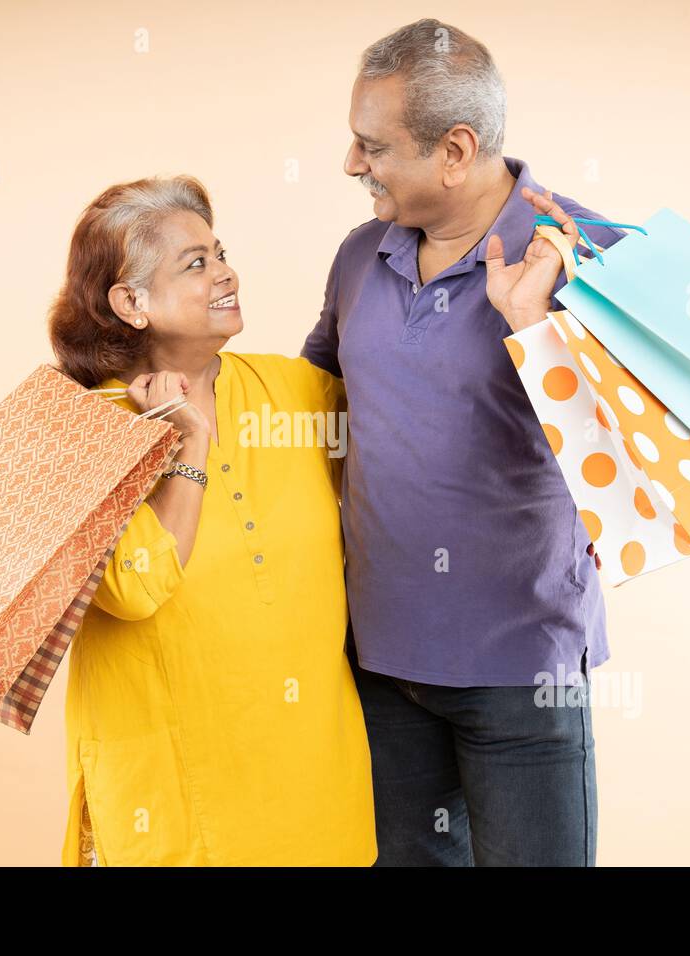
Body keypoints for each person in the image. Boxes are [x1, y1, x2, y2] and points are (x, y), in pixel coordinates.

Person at [300, 18, 623, 866]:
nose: (349, 165)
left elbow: (634, 466)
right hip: (381, 661)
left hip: (521, 671)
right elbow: (312, 404)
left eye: (372, 146)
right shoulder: (359, 255)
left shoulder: (593, 257)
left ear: (455, 149)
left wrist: (531, 325)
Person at [49, 174, 375, 866]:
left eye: (220, 253)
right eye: (195, 263)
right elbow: (135, 588)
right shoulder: (86, 433)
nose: (226, 273)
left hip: (313, 795)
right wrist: (189, 442)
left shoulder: (290, 392)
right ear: (130, 302)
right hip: (173, 803)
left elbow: (411, 454)